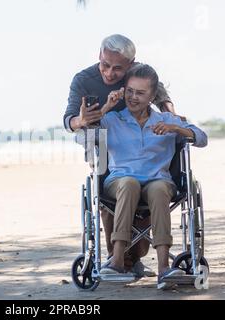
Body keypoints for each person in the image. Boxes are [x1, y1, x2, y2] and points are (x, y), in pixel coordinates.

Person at [64, 34, 175, 277]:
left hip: (142, 142)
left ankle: (136, 257)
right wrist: (82, 120)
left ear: (131, 64)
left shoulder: (139, 74)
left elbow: (163, 99)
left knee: (144, 204)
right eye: (105, 65)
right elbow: (69, 120)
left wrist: (173, 119)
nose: (110, 73)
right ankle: (120, 259)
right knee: (108, 199)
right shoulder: (84, 80)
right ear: (99, 56)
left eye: (118, 68)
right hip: (105, 140)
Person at [97, 63, 208, 289]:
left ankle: (163, 268)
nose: (133, 97)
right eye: (129, 91)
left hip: (158, 181)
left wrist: (176, 129)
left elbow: (202, 138)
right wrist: (105, 107)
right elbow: (83, 134)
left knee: (159, 189)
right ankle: (117, 260)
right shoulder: (112, 119)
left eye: (140, 93)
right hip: (120, 182)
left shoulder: (166, 121)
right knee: (129, 184)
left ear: (152, 96)